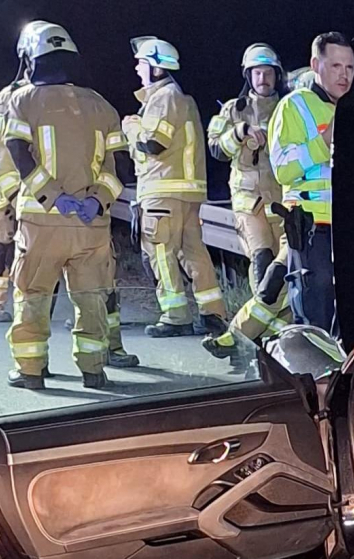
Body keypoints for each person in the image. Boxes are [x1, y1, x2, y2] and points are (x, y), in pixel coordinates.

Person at [1, 23, 124, 389]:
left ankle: (31, 371)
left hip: (42, 223)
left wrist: (53, 196)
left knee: (33, 296)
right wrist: (97, 201)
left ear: (31, 59)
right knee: (91, 299)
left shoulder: (21, 100)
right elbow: (118, 167)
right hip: (91, 226)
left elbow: (18, 152)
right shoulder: (102, 105)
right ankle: (93, 369)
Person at [123, 36, 229, 339]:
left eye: (141, 63)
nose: (137, 68)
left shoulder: (163, 97)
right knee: (193, 252)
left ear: (156, 68)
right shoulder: (181, 98)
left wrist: (131, 127)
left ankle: (175, 316)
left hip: (163, 191)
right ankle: (213, 315)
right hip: (186, 193)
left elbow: (154, 143)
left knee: (161, 253)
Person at [203, 43, 289, 371]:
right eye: (257, 72)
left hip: (283, 202)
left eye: (268, 72)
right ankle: (254, 341)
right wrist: (239, 133)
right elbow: (215, 149)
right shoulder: (232, 110)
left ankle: (248, 339)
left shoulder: (287, 108)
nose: (263, 78)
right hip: (248, 203)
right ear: (248, 76)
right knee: (263, 264)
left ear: (276, 76)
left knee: (281, 278)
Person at [269, 31, 354, 338]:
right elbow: (282, 168)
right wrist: (323, 141)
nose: (344, 75)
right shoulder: (294, 106)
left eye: (350, 67)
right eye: (336, 66)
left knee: (350, 320)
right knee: (315, 317)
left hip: (350, 229)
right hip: (311, 227)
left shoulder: (353, 110)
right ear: (316, 65)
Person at [0, 22, 44, 328]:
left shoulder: (45, 96)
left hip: (33, 189)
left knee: (30, 251)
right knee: (3, 249)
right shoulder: (9, 98)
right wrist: (12, 191)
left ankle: (29, 310)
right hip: (10, 191)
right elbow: (2, 150)